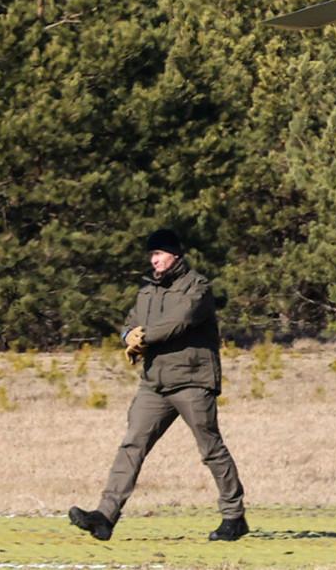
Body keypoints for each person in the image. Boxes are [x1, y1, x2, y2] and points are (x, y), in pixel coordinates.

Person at [68, 229, 248, 542]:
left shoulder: (197, 287)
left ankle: (234, 517)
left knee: (210, 449)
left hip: (192, 381)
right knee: (131, 446)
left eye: (160, 254)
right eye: (152, 255)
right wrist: (127, 337)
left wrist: (143, 337)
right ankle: (105, 516)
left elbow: (179, 321)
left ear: (175, 255)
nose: (155, 260)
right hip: (154, 383)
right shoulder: (147, 291)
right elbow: (130, 320)